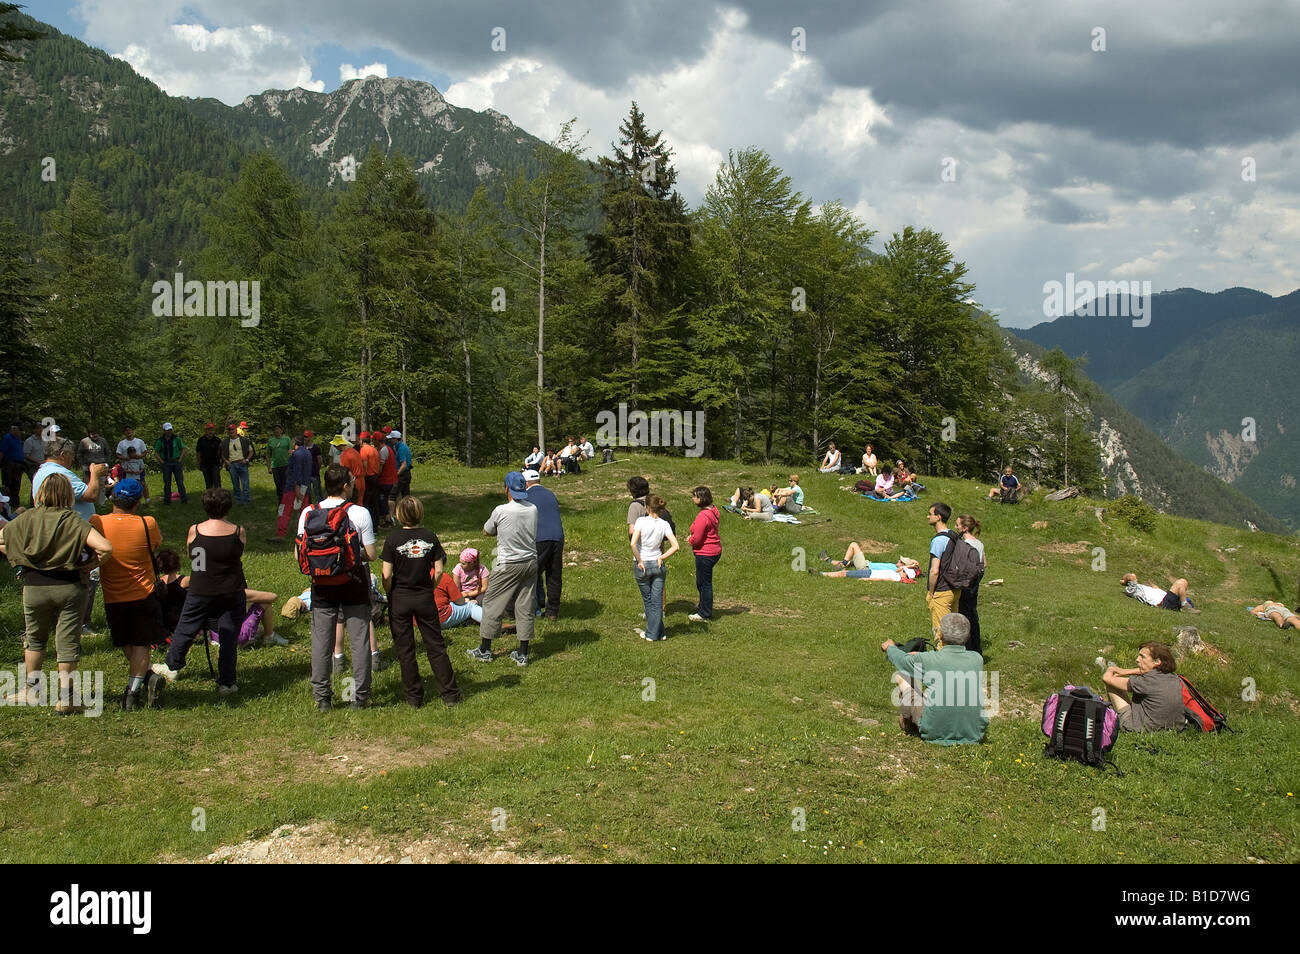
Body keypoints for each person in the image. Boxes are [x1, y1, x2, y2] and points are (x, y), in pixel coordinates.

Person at [0, 473, 113, 714]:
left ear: (40, 493)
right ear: (68, 494)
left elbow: (3, 538)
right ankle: (67, 698)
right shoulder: (72, 520)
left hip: (33, 587)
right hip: (69, 586)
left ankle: (31, 690)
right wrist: (90, 565)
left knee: (35, 637)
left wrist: (18, 558)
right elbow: (105, 547)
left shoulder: (26, 518)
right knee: (67, 641)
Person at [150, 488, 248, 696]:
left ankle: (172, 667)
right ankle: (227, 682)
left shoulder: (195, 530)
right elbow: (236, 557)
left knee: (186, 628)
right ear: (228, 507)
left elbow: (197, 561)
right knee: (228, 635)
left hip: (202, 588)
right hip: (231, 590)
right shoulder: (238, 531)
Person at [297, 464, 377, 711]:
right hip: (354, 581)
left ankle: (322, 698)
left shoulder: (309, 512)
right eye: (351, 483)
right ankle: (359, 697)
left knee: (322, 641)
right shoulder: (360, 513)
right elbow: (372, 555)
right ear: (345, 486)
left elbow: (299, 552)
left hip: (321, 583)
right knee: (359, 639)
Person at [89, 478, 167, 710]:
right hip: (143, 592)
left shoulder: (97, 521)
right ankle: (141, 684)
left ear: (113, 498)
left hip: (113, 595)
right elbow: (154, 546)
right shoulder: (148, 523)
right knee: (141, 644)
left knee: (126, 641)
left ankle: (137, 688)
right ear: (137, 502)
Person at [380, 495, 461, 708]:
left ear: (398, 514)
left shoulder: (392, 540)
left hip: (400, 598)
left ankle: (414, 697)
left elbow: (386, 575)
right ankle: (450, 694)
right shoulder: (430, 537)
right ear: (420, 513)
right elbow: (440, 570)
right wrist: (430, 587)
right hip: (424, 597)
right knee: (436, 646)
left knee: (405, 649)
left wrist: (391, 592)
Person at [881, 613, 988, 744]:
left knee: (902, 676)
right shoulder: (977, 659)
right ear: (967, 636)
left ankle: (908, 723)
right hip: (974, 732)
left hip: (934, 731)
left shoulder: (928, 660)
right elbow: (948, 662)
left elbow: (902, 661)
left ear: (940, 635)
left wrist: (890, 647)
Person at [470, 471, 538, 666]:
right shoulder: (533, 508)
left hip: (508, 563)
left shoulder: (501, 510)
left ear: (507, 488)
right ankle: (523, 652)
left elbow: (487, 530)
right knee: (525, 606)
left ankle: (485, 649)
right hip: (530, 561)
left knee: (492, 603)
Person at [1100, 643, 1185, 732]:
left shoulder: (1144, 682)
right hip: (1175, 728)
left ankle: (1115, 718)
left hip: (1145, 729)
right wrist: (1125, 671)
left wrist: (1111, 669)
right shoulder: (1174, 678)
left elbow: (1107, 678)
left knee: (1112, 683)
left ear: (1157, 662)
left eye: (1142, 657)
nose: (1137, 659)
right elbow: (1146, 671)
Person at [631, 493, 679, 641]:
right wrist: (662, 557)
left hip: (643, 564)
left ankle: (651, 634)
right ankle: (661, 632)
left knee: (648, 600)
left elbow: (633, 543)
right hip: (658, 565)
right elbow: (676, 546)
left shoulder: (640, 521)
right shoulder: (664, 524)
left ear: (647, 507)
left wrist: (639, 560)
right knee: (657, 601)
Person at [523, 469, 564, 620]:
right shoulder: (551, 494)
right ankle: (552, 611)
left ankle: (527, 609)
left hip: (539, 538)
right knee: (554, 575)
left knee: (530, 574)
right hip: (557, 537)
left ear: (526, 483)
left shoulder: (526, 496)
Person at [32, 438, 104, 523]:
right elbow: (91, 495)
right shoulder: (61, 474)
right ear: (63, 455)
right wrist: (95, 474)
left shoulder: (40, 472)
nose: (73, 459)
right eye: (71, 455)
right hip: (73, 528)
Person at [925, 502, 961, 637]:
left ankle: (942, 656)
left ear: (938, 517)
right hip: (955, 589)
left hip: (942, 591)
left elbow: (934, 570)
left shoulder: (938, 540)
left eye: (930, 514)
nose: (928, 516)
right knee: (954, 632)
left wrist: (931, 592)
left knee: (942, 633)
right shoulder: (954, 535)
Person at [686, 486, 720, 623]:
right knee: (703, 582)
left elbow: (698, 538)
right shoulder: (713, 510)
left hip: (705, 553)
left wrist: (690, 540)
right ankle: (703, 605)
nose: (693, 499)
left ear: (701, 498)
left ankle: (704, 613)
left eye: (695, 496)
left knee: (704, 583)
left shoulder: (702, 516)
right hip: (715, 549)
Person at [272, 437, 313, 540]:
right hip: (306, 486)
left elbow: (296, 471)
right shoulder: (308, 453)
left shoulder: (296, 455)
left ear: (294, 442)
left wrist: (296, 486)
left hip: (292, 487)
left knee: (284, 509)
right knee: (304, 511)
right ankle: (303, 533)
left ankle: (281, 533)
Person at [955, 515, 985, 655]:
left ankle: (968, 648)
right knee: (973, 614)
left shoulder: (966, 544)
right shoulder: (979, 543)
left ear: (965, 528)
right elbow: (984, 563)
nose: (956, 527)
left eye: (957, 525)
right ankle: (976, 647)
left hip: (966, 583)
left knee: (963, 616)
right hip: (975, 582)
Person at [153, 422, 189, 505]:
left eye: (170, 430)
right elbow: (156, 452)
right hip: (166, 462)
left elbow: (183, 448)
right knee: (167, 482)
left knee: (180, 481)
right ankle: (167, 500)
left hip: (176, 461)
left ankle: (184, 499)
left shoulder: (177, 439)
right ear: (164, 431)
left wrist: (180, 459)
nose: (169, 432)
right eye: (167, 430)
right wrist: (162, 462)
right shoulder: (160, 441)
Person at [1121, 572, 1192, 612]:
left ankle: (1183, 604)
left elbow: (1132, 576)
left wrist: (1155, 587)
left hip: (1167, 599)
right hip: (1164, 603)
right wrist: (1123, 581)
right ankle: (1184, 605)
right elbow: (1131, 576)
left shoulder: (1141, 587)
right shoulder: (1131, 590)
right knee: (1179, 583)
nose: (1134, 576)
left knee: (1183, 581)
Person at [221, 422, 254, 506]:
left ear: (236, 430)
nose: (231, 431)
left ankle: (247, 502)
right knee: (235, 485)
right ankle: (238, 501)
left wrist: (247, 460)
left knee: (245, 484)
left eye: (232, 429)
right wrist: (226, 461)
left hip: (242, 463)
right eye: (229, 430)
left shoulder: (244, 440)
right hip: (232, 465)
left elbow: (251, 451)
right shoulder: (225, 442)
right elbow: (221, 453)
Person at [820, 557, 920, 581]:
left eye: (904, 571)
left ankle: (822, 574)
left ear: (905, 575)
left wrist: (868, 579)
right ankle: (826, 569)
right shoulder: (897, 572)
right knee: (845, 572)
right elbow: (901, 568)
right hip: (870, 571)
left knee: (845, 573)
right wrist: (913, 565)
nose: (902, 570)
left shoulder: (897, 578)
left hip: (869, 574)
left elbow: (882, 579)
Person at [375, 430, 398, 528]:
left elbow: (380, 468)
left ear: (377, 440)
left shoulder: (383, 451)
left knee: (384, 500)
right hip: (391, 479)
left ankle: (388, 521)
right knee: (387, 499)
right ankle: (389, 519)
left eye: (374, 440)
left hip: (385, 480)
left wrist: (374, 474)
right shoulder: (388, 448)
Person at [76, 429, 111, 494]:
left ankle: (101, 503)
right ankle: (89, 500)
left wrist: (107, 463)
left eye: (96, 433)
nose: (94, 435)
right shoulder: (84, 441)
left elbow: (108, 452)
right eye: (92, 434)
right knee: (87, 484)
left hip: (101, 465)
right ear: (89, 434)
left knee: (101, 485)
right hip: (87, 466)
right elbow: (79, 454)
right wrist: (82, 464)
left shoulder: (103, 441)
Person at [332, 435, 365, 504]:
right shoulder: (354, 451)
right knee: (360, 503)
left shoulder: (344, 455)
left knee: (352, 505)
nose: (335, 447)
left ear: (340, 445)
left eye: (335, 445)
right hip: (361, 481)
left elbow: (344, 473)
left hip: (353, 483)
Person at [359, 431, 382, 524]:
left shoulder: (364, 450)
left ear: (361, 440)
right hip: (375, 477)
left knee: (366, 502)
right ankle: (376, 524)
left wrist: (362, 477)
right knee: (374, 502)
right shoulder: (374, 449)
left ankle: (366, 523)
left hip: (368, 478)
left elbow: (364, 465)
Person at [22, 421, 45, 506]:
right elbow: (26, 455)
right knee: (35, 484)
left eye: (42, 428)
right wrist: (37, 461)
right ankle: (32, 504)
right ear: (34, 430)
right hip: (32, 466)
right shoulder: (29, 441)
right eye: (39, 428)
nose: (41, 430)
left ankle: (41, 502)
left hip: (43, 465)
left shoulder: (44, 440)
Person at [266, 425, 292, 500]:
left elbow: (290, 452)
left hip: (286, 465)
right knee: (278, 483)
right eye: (275, 429)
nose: (277, 431)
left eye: (278, 429)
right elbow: (267, 454)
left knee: (285, 483)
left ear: (281, 430)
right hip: (275, 466)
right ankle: (280, 501)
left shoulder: (287, 439)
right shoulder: (271, 440)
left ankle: (287, 499)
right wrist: (269, 467)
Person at [196, 423, 223, 490]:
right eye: (209, 430)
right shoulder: (201, 440)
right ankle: (209, 498)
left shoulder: (217, 440)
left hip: (215, 464)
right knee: (208, 483)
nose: (210, 432)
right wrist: (199, 463)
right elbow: (198, 452)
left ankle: (219, 497)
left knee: (217, 482)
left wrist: (222, 462)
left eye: (212, 430)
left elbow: (221, 452)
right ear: (206, 431)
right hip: (205, 464)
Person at [1, 422, 23, 500]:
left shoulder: (18, 439)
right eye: (19, 430)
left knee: (16, 483)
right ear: (13, 429)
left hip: (18, 465)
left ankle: (14, 501)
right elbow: (2, 452)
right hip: (9, 464)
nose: (20, 432)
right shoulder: (7, 438)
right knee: (8, 483)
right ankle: (7, 500)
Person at [391, 430, 412, 502]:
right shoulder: (403, 446)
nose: (390, 441)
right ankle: (408, 511)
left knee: (392, 496)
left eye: (391, 439)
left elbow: (403, 465)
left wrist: (396, 475)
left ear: (396, 439)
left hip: (402, 475)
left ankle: (391, 513)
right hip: (406, 474)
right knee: (406, 496)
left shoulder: (401, 449)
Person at [304, 430, 323, 503]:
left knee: (317, 492)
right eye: (304, 436)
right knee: (307, 493)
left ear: (310, 437)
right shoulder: (302, 448)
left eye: (306, 437)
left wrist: (318, 469)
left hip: (314, 473)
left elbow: (320, 460)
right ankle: (308, 506)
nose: (304, 438)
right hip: (305, 474)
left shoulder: (316, 448)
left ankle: (319, 506)